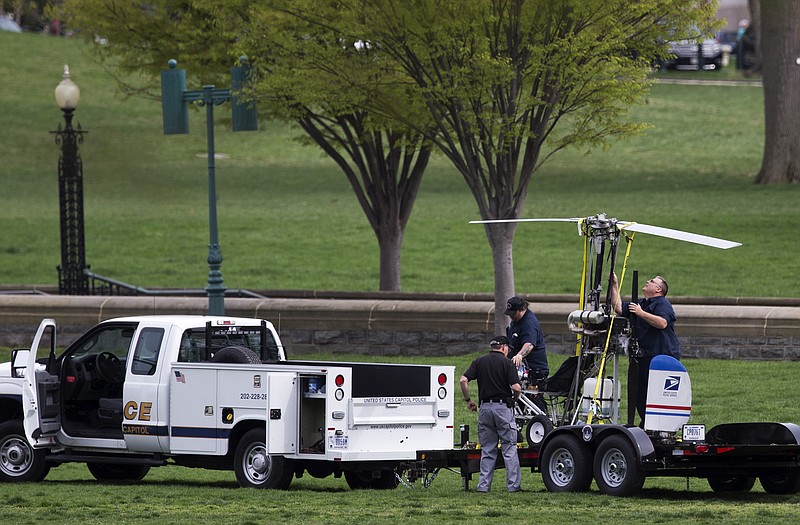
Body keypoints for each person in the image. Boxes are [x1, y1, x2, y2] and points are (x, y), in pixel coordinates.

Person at [610, 273, 680, 426]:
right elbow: (619, 308)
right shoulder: (642, 302)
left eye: (652, 281)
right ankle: (646, 424)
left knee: (656, 394)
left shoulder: (662, 303)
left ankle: (657, 425)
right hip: (644, 357)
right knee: (640, 394)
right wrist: (614, 285)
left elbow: (662, 323)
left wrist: (641, 313)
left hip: (660, 357)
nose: (648, 281)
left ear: (658, 289)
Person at [459, 336, 522, 493]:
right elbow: (516, 387)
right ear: (504, 347)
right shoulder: (507, 363)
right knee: (509, 448)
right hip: (503, 408)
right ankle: (513, 486)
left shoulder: (479, 361)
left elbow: (463, 380)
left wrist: (468, 400)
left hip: (485, 409)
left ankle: (483, 487)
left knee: (487, 449)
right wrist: (514, 398)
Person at [504, 296, 548, 387]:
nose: (511, 316)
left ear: (521, 310)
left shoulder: (529, 323)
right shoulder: (516, 320)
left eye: (513, 313)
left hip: (533, 370)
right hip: (518, 368)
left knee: (532, 399)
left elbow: (529, 344)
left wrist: (519, 355)